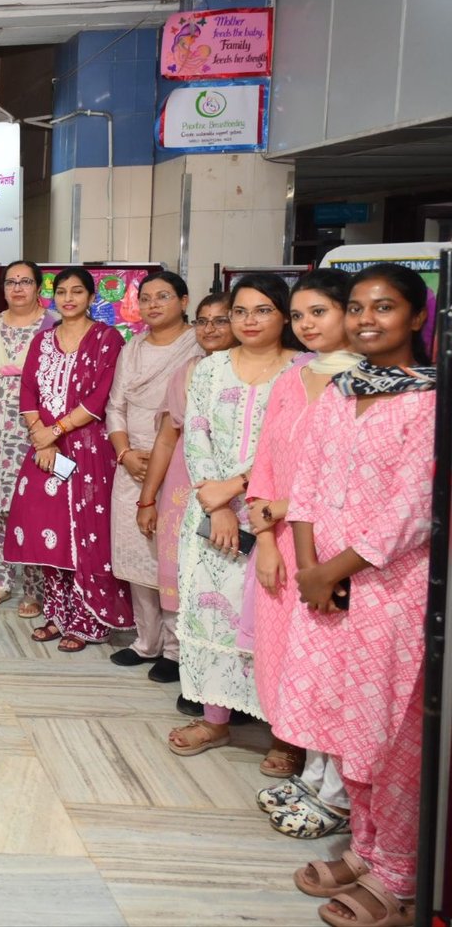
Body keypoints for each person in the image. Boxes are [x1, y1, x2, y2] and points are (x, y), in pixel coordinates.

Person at [283, 264, 434, 927]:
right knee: (346, 726)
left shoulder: (430, 399)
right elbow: (307, 486)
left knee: (389, 737)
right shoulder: (341, 392)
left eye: (385, 306)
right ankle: (367, 849)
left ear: (418, 317)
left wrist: (333, 571)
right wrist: (310, 569)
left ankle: (399, 875)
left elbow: (413, 509)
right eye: (358, 307)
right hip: (327, 587)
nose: (367, 319)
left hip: (390, 591)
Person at [245, 269, 360, 836]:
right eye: (299, 315)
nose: (307, 324)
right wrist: (266, 538)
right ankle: (313, 775)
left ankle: (339, 793)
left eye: (320, 312)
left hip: (336, 548)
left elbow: (354, 478)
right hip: (282, 541)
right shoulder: (294, 378)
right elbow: (265, 458)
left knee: (332, 667)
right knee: (292, 662)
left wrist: (284, 507)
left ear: (348, 313)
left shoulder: (371, 383)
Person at [167, 274, 301, 759]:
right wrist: (217, 503)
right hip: (210, 512)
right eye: (239, 312)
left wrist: (238, 488)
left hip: (277, 515)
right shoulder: (210, 368)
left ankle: (286, 734)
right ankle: (214, 720)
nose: (249, 321)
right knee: (210, 615)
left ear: (284, 315)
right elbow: (197, 434)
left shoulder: (302, 370)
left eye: (262, 310)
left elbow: (293, 446)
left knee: (276, 619)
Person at [3, 266, 131, 652]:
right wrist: (41, 439)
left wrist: (55, 431)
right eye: (61, 292)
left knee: (86, 535)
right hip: (46, 452)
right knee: (50, 532)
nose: (69, 298)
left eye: (77, 291)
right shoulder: (43, 340)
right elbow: (29, 390)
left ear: (92, 297)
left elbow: (101, 397)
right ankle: (57, 614)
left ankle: (88, 619)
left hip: (89, 450)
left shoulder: (107, 339)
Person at [136, 292, 238, 706]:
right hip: (183, 485)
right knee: (183, 573)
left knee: (228, 581)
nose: (210, 328)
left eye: (221, 319)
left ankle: (228, 681)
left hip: (236, 489)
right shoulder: (188, 372)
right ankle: (184, 661)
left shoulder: (258, 375)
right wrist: (148, 499)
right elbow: (166, 439)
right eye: (203, 321)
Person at [105, 272, 202, 681]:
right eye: (145, 298)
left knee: (171, 557)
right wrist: (125, 453)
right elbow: (115, 406)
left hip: (180, 463)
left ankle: (177, 650)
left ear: (184, 300)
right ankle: (146, 642)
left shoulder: (198, 345)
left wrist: (164, 458)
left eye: (163, 297)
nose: (152, 305)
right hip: (131, 462)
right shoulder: (132, 348)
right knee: (135, 557)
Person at [0, 260, 53, 617]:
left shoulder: (54, 326)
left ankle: (34, 591)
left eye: (25, 282)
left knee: (34, 511)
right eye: (11, 282)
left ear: (39, 287)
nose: (18, 288)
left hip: (35, 434)